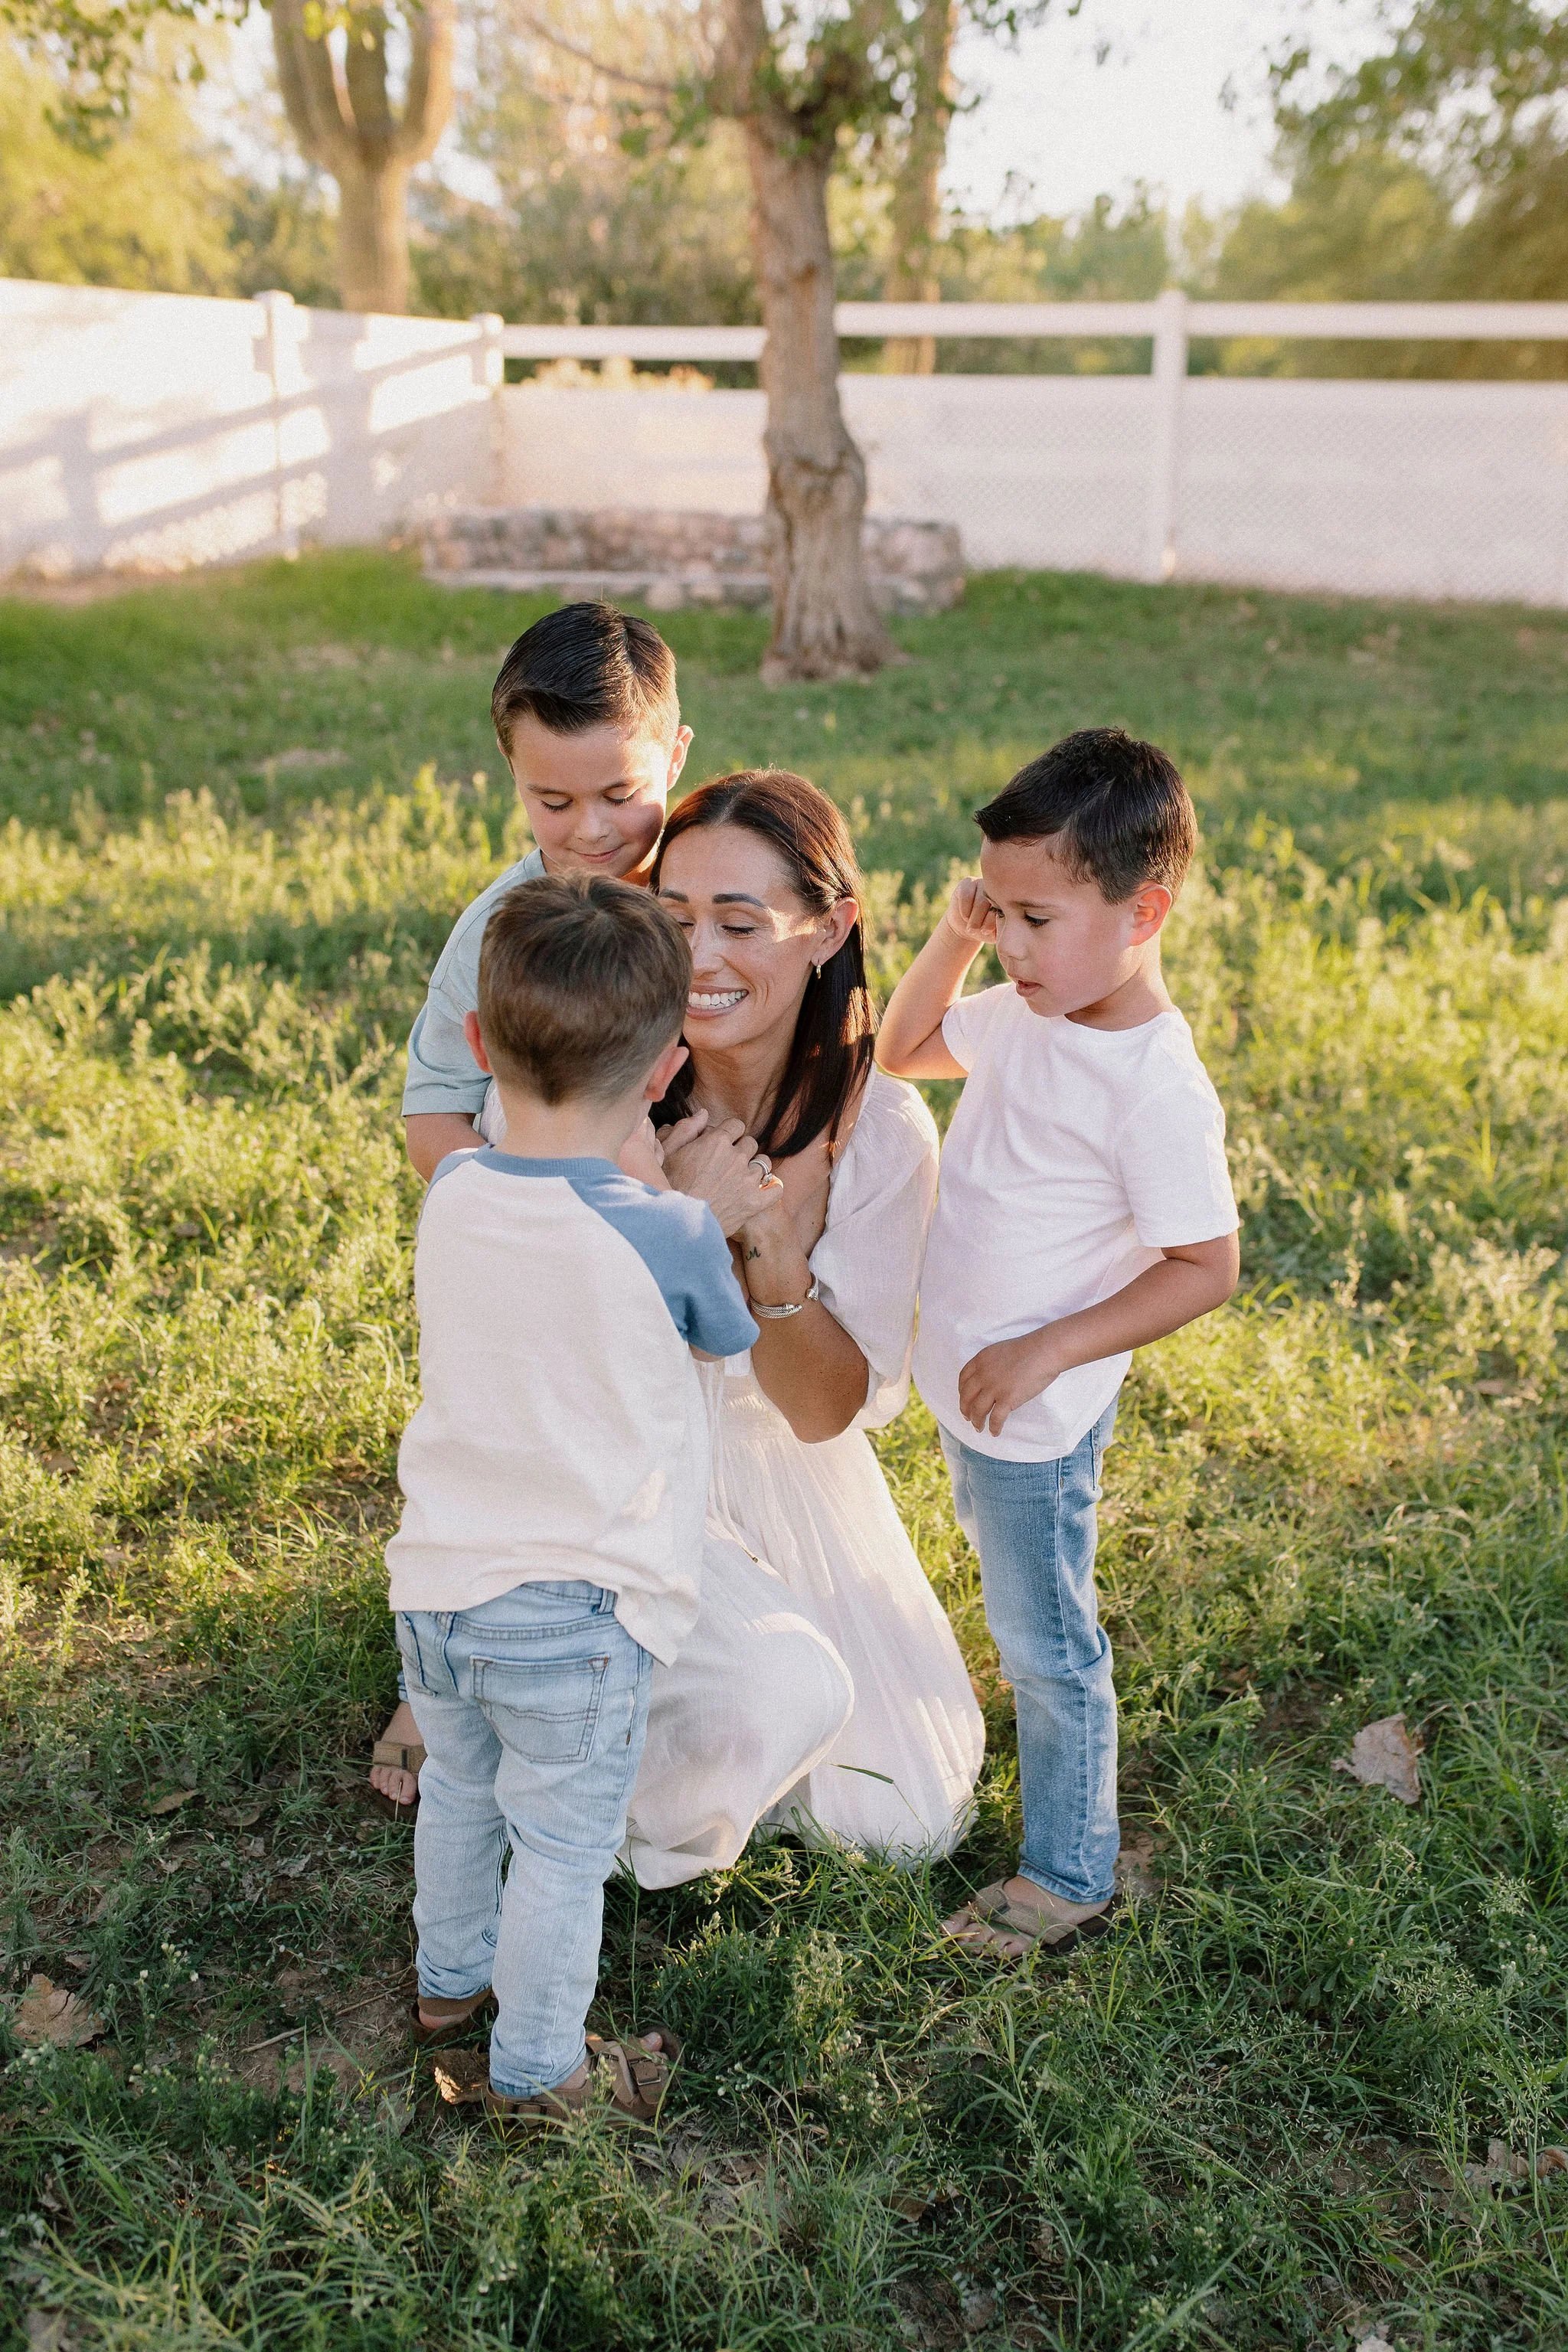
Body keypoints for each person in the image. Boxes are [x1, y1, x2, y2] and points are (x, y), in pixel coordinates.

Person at [374, 608, 854, 1841]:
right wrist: (517, 1211)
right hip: (535, 1240)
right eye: (551, 802)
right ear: (514, 785)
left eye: (619, 795)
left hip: (678, 1275)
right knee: (502, 1442)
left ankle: (593, 1705)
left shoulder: (709, 890)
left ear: (675, 754)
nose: (589, 832)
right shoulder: (505, 928)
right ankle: (444, 1684)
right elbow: (434, 1104)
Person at [388, 871, 759, 2122]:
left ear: (482, 1044)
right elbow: (721, 1338)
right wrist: (684, 1200)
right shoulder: (669, 1232)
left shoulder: (453, 1196)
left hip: (438, 1586)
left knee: (457, 1787)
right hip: (576, 1611)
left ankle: (447, 1985)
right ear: (664, 1069)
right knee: (558, 1850)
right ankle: (542, 2073)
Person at [877, 729, 1240, 1957]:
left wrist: (1050, 1351)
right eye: (1001, 913)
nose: (1013, 944)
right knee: (1012, 1583)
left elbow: (1207, 1265)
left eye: (1037, 917)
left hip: (1033, 1412)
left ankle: (1070, 1872)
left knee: (1051, 1642)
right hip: (977, 1394)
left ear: (1144, 910)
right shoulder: (1031, 1007)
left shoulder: (1150, 1082)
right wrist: (956, 934)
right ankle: (1039, 1749)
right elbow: (904, 1049)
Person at [619, 769, 984, 1865]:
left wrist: (768, 1243)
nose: (699, 958)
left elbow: (824, 1411)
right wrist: (681, 1224)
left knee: (897, 1815)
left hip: (786, 1468)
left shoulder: (880, 1132)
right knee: (709, 1723)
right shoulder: (606, 1082)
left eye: (741, 923)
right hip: (624, 1464)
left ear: (829, 930)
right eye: (673, 919)